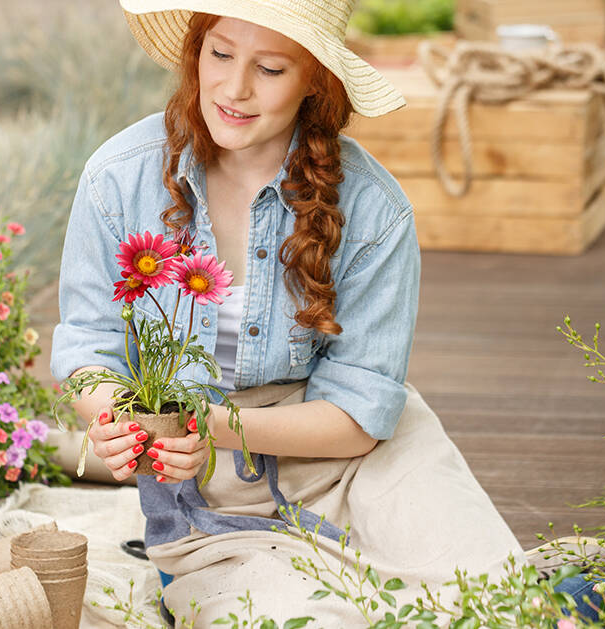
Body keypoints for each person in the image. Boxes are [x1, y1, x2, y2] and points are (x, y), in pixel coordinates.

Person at [50, 1, 524, 624]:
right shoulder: (119, 178)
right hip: (206, 495)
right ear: (196, 51)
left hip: (356, 462)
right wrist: (125, 425)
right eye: (220, 54)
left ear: (315, 82)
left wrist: (211, 427)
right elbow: (88, 347)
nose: (235, 88)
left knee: (499, 602)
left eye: (270, 68)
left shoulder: (375, 209)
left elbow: (360, 415)